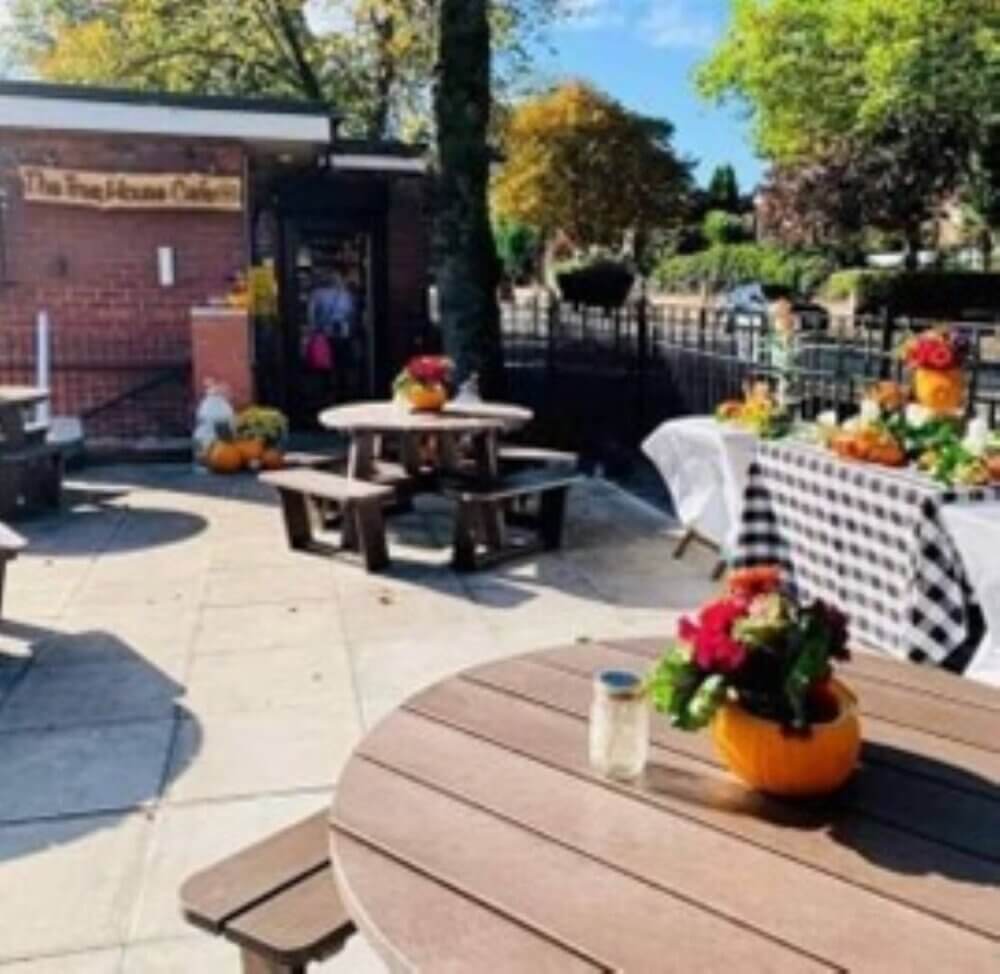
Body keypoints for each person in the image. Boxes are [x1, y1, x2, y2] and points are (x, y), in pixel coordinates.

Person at [307, 266, 358, 398]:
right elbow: (351, 313)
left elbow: (311, 315)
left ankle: (326, 389)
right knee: (341, 361)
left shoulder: (316, 294)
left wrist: (313, 331)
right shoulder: (345, 294)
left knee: (325, 362)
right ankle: (343, 389)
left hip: (324, 332)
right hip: (343, 332)